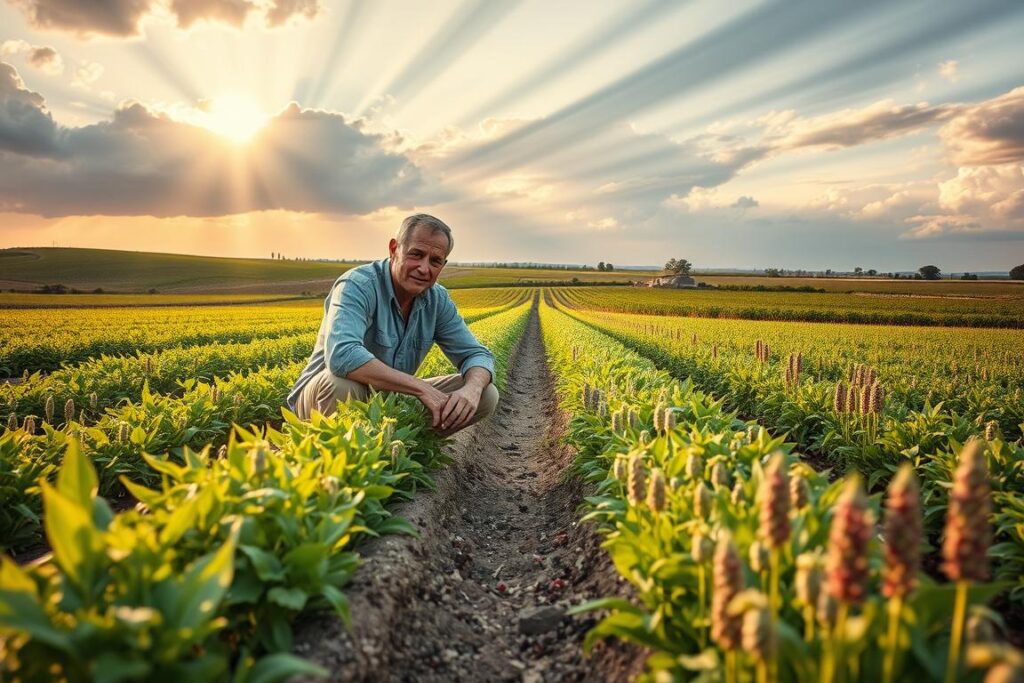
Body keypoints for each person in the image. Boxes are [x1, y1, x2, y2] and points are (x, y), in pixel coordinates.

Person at [287, 214, 498, 435]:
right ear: (394, 249)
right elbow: (343, 354)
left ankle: (398, 444)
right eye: (416, 254)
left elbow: (476, 354)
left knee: (486, 394)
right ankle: (337, 454)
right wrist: (422, 389)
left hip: (388, 398)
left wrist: (472, 390)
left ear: (442, 265)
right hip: (320, 400)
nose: (424, 268)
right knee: (343, 387)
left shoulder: (437, 300)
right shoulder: (358, 285)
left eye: (434, 261)